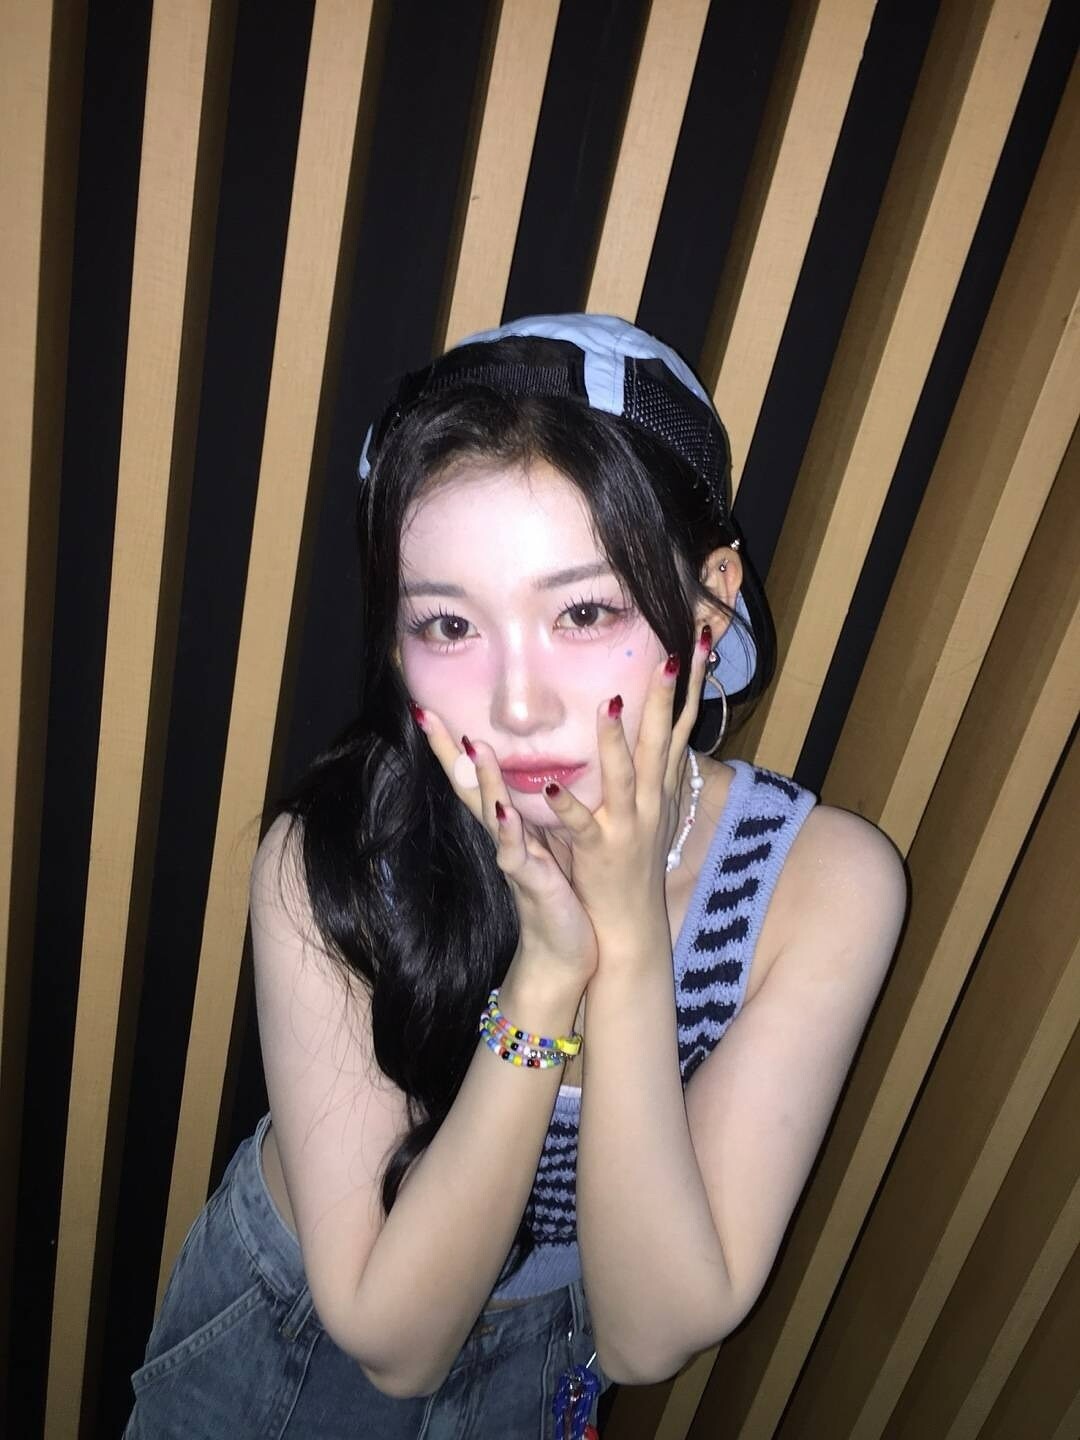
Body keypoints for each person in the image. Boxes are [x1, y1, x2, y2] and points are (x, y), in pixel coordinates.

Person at [124, 313, 906, 1439]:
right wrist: (547, 972)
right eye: (449, 624)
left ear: (710, 605)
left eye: (584, 611)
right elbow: (393, 1340)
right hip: (286, 1337)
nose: (518, 704)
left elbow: (647, 1336)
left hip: (545, 1358)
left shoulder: (817, 888)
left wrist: (628, 944)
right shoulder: (333, 859)